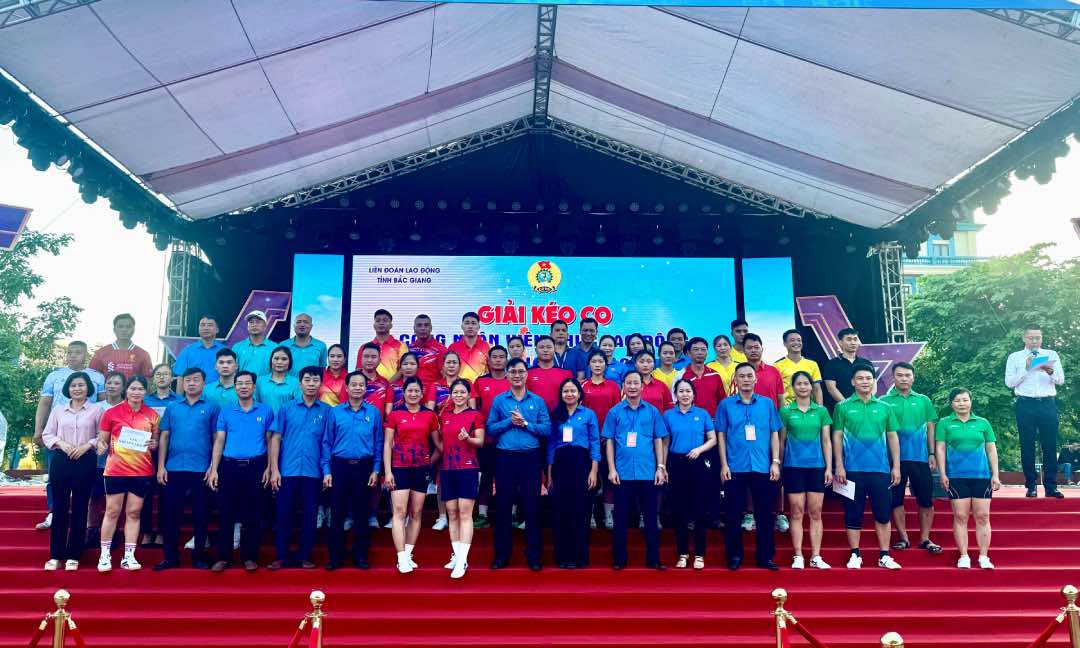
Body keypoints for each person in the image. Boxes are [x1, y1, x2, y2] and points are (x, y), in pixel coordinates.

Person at [833, 364, 903, 570]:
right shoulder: (842, 407)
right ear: (853, 382)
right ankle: (855, 554)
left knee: (883, 513)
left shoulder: (884, 408)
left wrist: (896, 466)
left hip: (880, 470)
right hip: (851, 470)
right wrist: (839, 465)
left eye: (868, 378)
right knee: (853, 513)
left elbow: (893, 438)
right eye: (860, 378)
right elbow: (836, 437)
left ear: (874, 381)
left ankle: (884, 555)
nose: (865, 381)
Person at [716, 363, 782, 571]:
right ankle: (734, 556)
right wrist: (724, 464)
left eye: (749, 376)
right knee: (733, 513)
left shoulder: (767, 404)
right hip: (735, 465)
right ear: (736, 380)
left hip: (762, 465)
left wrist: (775, 462)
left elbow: (774, 433)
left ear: (756, 380)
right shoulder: (726, 405)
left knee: (765, 514)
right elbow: (721, 435)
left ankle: (765, 557)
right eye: (741, 376)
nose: (746, 379)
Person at [33, 341, 105, 532]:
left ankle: (89, 518)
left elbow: (104, 406)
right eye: (70, 352)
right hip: (59, 434)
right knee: (55, 478)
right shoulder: (54, 376)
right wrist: (38, 430)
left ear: (85, 355)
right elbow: (45, 403)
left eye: (78, 353)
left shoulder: (97, 377)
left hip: (86, 437)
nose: (73, 356)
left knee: (89, 480)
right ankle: (53, 511)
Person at [487, 358, 550, 570]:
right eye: (513, 371)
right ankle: (502, 555)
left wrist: (525, 423)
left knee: (532, 507)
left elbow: (546, 430)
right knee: (503, 507)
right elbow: (490, 429)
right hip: (505, 458)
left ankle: (534, 556)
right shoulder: (499, 401)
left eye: (521, 371)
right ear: (507, 374)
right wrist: (509, 422)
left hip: (531, 457)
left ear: (526, 374)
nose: (517, 375)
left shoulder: (538, 401)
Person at [154, 367, 220, 570]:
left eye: (196, 380)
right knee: (170, 515)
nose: (191, 383)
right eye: (188, 380)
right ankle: (170, 557)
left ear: (203, 383)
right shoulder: (173, 407)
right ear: (182, 383)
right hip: (173, 468)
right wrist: (161, 466)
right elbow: (164, 436)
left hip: (201, 469)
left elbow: (217, 438)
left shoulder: (212, 407)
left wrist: (213, 467)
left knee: (201, 515)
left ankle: (199, 556)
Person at [209, 371, 275, 572]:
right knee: (226, 513)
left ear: (254, 387)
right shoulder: (226, 412)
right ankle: (224, 557)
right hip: (229, 467)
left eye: (248, 383)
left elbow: (270, 440)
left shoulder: (265, 411)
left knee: (252, 514)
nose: (244, 386)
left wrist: (270, 467)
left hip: (256, 466)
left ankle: (250, 557)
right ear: (235, 387)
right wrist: (214, 469)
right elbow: (219, 441)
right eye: (240, 383)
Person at [603, 371, 668, 570]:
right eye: (629, 383)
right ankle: (619, 559)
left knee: (650, 517)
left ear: (642, 386)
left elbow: (659, 439)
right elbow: (609, 441)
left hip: (648, 472)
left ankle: (653, 559)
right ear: (623, 386)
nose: (632, 387)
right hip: (622, 473)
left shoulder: (652, 411)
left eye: (636, 383)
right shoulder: (614, 412)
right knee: (621, 517)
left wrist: (660, 467)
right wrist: (612, 469)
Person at [95, 375, 160, 572]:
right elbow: (102, 440)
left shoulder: (153, 415)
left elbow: (155, 442)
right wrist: (100, 446)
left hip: (141, 471)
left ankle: (129, 556)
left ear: (145, 391)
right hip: (115, 470)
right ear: (126, 390)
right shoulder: (111, 413)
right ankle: (104, 555)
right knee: (112, 512)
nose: (136, 392)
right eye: (133, 388)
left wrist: (154, 444)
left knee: (133, 513)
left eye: (140, 389)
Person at [268, 366, 330, 570]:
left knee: (310, 517)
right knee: (283, 515)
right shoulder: (287, 409)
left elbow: (327, 443)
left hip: (313, 472)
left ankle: (305, 556)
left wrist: (326, 471)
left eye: (315, 380)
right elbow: (275, 438)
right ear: (300, 383)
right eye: (307, 380)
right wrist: (274, 469)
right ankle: (282, 556)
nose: (311, 384)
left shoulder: (326, 411)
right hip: (288, 470)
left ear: (320, 384)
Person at [41, 372, 103, 570]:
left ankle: (74, 555)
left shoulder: (97, 409)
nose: (77, 388)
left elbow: (102, 436)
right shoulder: (58, 410)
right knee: (60, 508)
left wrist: (87, 445)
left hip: (85, 460)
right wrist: (62, 443)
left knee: (80, 507)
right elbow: (47, 434)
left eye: (81, 385)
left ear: (88, 388)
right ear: (68, 389)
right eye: (74, 385)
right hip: (61, 460)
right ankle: (55, 555)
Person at [936, 388, 1001, 569]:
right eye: (957, 401)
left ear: (971, 402)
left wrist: (995, 474)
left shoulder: (983, 423)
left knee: (982, 516)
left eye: (965, 400)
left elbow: (991, 449)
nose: (962, 404)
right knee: (961, 516)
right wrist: (942, 473)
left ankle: (983, 556)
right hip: (956, 477)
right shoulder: (945, 423)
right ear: (952, 404)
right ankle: (963, 555)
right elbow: (940, 448)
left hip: (981, 476)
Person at [324, 371, 383, 570]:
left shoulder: (373, 413)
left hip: (364, 469)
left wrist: (376, 470)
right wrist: (327, 471)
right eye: (354, 384)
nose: (358, 388)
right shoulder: (335, 412)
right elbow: (326, 442)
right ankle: (335, 557)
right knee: (337, 514)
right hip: (339, 467)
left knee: (361, 514)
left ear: (366, 389)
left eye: (361, 385)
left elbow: (378, 444)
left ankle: (361, 556)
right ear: (346, 388)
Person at [881, 362, 941, 555]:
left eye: (907, 375)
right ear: (893, 377)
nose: (904, 378)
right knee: (896, 500)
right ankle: (903, 538)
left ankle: (925, 538)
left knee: (925, 499)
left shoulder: (923, 400)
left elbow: (931, 428)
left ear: (913, 377)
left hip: (921, 458)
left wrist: (932, 453)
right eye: (899, 375)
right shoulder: (883, 401)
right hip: (893, 461)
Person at [384, 376, 439, 573]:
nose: (413, 394)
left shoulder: (430, 415)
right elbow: (387, 444)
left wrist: (429, 463)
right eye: (410, 391)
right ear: (404, 393)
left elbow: (438, 445)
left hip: (421, 469)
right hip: (399, 468)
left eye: (417, 391)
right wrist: (388, 471)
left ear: (422, 393)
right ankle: (401, 557)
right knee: (399, 512)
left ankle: (408, 554)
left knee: (416, 513)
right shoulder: (395, 415)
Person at [779, 371, 833, 570]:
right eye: (798, 384)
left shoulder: (821, 411)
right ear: (793, 388)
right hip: (793, 467)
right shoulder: (785, 412)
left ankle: (816, 556)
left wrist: (829, 467)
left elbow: (826, 441)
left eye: (806, 383)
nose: (802, 387)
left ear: (812, 387)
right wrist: (780, 464)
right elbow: (781, 441)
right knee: (796, 511)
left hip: (817, 467)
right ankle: (798, 555)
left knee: (816, 512)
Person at [1005, 325, 1066, 498]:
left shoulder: (1052, 355)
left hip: (1047, 403)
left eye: (1038, 337)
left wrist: (1050, 371)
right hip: (1025, 404)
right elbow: (1009, 382)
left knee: (1049, 445)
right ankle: (1031, 486)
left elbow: (1060, 380)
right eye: (1031, 338)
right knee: (1027, 445)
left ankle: (1051, 486)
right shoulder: (1015, 357)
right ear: (1024, 338)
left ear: (1041, 338)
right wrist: (1026, 368)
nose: (1034, 341)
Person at [435, 378, 485, 579]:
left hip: (468, 468)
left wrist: (468, 439)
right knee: (452, 513)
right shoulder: (444, 416)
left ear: (468, 395)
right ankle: (456, 555)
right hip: (448, 468)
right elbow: (439, 439)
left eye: (462, 392)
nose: (458, 396)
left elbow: (480, 442)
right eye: (455, 392)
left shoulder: (475, 415)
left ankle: (463, 559)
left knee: (465, 513)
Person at [663, 379, 716, 570]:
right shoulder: (668, 415)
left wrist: (699, 450)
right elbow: (665, 442)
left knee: (701, 510)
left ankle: (700, 554)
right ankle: (683, 553)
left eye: (688, 391)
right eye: (681, 391)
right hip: (677, 463)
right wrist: (663, 465)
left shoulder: (702, 414)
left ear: (693, 394)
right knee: (680, 511)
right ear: (675, 395)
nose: (685, 395)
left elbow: (713, 439)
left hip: (698, 462)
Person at [548, 378, 599, 569]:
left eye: (573, 391)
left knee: (580, 510)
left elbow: (594, 442)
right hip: (561, 464)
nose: (569, 394)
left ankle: (580, 557)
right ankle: (563, 556)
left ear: (579, 394)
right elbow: (552, 445)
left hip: (582, 463)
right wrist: (550, 473)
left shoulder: (588, 414)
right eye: (566, 391)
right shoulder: (557, 415)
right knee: (561, 511)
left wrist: (593, 470)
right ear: (561, 395)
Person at [470, 345, 511, 528]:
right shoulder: (480, 382)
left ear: (506, 359)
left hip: (509, 439)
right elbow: (474, 410)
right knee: (486, 477)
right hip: (486, 439)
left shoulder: (513, 380)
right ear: (489, 360)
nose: (498, 360)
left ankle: (509, 514)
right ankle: (483, 515)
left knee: (509, 479)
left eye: (502, 357)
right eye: (494, 357)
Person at [582, 349, 621, 531]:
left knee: (608, 477)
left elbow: (616, 414)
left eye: (600, 362)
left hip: (608, 440)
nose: (597, 365)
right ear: (589, 364)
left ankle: (608, 516)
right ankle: (588, 515)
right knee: (589, 478)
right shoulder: (582, 386)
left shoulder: (613, 386)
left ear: (606, 365)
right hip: (588, 440)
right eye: (594, 362)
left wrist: (609, 435)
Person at [86, 371, 125, 548]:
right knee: (95, 496)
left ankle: (116, 531)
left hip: (123, 461)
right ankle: (92, 529)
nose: (112, 386)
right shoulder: (96, 407)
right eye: (109, 383)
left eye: (116, 383)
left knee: (118, 498)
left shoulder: (129, 406)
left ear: (123, 387)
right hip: (98, 459)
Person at [424, 351, 463, 531]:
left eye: (455, 362)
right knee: (441, 477)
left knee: (459, 476)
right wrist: (437, 430)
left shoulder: (465, 384)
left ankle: (461, 515)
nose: (451, 365)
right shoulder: (435, 386)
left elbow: (470, 410)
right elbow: (430, 410)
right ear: (442, 366)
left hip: (461, 437)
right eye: (448, 362)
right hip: (439, 435)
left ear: (459, 365)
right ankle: (442, 516)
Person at [142, 364, 179, 548]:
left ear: (172, 378)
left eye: (166, 374)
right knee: (145, 493)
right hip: (145, 452)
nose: (162, 377)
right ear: (153, 378)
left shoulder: (179, 401)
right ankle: (146, 531)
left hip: (171, 452)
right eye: (158, 374)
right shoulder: (145, 400)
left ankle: (163, 532)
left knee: (167, 494)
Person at [89, 313, 154, 379]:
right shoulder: (100, 353)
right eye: (120, 326)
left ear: (134, 329)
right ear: (114, 330)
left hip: (133, 389)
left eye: (128, 326)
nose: (124, 329)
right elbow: (92, 378)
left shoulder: (143, 354)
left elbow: (147, 380)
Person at [822, 327, 869, 412]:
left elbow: (873, 385)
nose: (853, 342)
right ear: (840, 343)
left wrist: (865, 403)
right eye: (849, 339)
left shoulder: (866, 363)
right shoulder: (831, 364)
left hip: (864, 408)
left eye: (855, 339)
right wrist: (848, 406)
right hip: (842, 409)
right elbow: (831, 389)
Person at [680, 337, 727, 417]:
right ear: (688, 353)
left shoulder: (715, 375)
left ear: (707, 353)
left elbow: (722, 402)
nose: (700, 352)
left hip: (713, 422)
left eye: (703, 349)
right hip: (690, 421)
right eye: (696, 349)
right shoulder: (681, 375)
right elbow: (676, 402)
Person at [172, 315, 225, 384]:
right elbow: (181, 378)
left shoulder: (224, 351)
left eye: (209, 325)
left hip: (219, 394)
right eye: (202, 325)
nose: (205, 328)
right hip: (193, 394)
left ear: (217, 330)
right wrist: (179, 395)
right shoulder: (188, 351)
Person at [775, 330, 823, 405]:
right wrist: (782, 410)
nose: (796, 343)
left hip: (809, 409)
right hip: (788, 409)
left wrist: (820, 408)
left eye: (799, 340)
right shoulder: (777, 365)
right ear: (785, 344)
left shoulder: (812, 364)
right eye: (792, 340)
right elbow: (777, 392)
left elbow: (816, 389)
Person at [528, 336, 574, 413]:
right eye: (541, 347)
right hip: (535, 417)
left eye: (549, 347)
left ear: (555, 349)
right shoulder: (527, 374)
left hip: (560, 418)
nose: (545, 350)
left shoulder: (566, 374)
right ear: (536, 350)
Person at [362, 309, 408, 381]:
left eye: (385, 320)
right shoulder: (365, 347)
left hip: (393, 388)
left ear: (391, 325)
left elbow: (403, 369)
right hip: (369, 388)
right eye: (378, 321)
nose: (381, 323)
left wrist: (386, 385)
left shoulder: (401, 345)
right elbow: (359, 369)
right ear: (374, 325)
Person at [742, 334, 784, 409]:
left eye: (756, 347)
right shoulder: (739, 373)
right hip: (746, 417)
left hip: (770, 417)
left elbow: (780, 398)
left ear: (762, 349)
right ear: (744, 351)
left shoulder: (774, 371)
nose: (753, 350)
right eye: (749, 348)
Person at [256, 346, 301, 414]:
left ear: (290, 362)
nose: (279, 362)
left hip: (286, 422)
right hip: (264, 421)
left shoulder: (296, 382)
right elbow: (255, 403)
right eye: (276, 358)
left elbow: (298, 407)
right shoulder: (260, 381)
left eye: (284, 359)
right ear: (271, 360)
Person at [449, 311, 490, 382]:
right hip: (459, 389)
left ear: (479, 326)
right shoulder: (453, 347)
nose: (470, 326)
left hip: (480, 388)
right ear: (462, 326)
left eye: (473, 323)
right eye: (467, 323)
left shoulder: (487, 347)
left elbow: (491, 371)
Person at [232, 310, 275, 375]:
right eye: (251, 322)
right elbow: (233, 372)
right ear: (247, 326)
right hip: (243, 385)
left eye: (258, 322)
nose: (254, 325)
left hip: (266, 385)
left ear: (265, 326)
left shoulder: (274, 347)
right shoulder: (237, 347)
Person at [410, 314, 448, 387]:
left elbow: (446, 375)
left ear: (431, 328)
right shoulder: (409, 349)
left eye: (426, 325)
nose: (423, 328)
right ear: (414, 328)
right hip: (413, 393)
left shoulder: (441, 349)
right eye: (419, 325)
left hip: (433, 393)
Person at [358, 342, 393, 413]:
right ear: (361, 359)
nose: (369, 360)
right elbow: (343, 408)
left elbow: (388, 414)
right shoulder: (350, 381)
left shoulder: (385, 384)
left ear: (379, 361)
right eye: (366, 356)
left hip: (378, 424)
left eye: (373, 357)